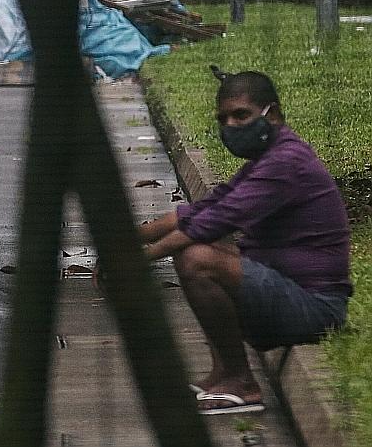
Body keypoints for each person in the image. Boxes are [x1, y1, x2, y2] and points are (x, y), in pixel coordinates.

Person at [131, 70, 351, 416]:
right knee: (190, 253)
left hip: (315, 307)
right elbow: (201, 209)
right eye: (224, 119)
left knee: (198, 259)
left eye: (241, 115)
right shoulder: (269, 157)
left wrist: (133, 261)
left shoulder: (285, 162)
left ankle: (241, 382)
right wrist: (124, 243)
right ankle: (222, 373)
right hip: (286, 288)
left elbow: (214, 222)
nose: (231, 126)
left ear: (273, 115)